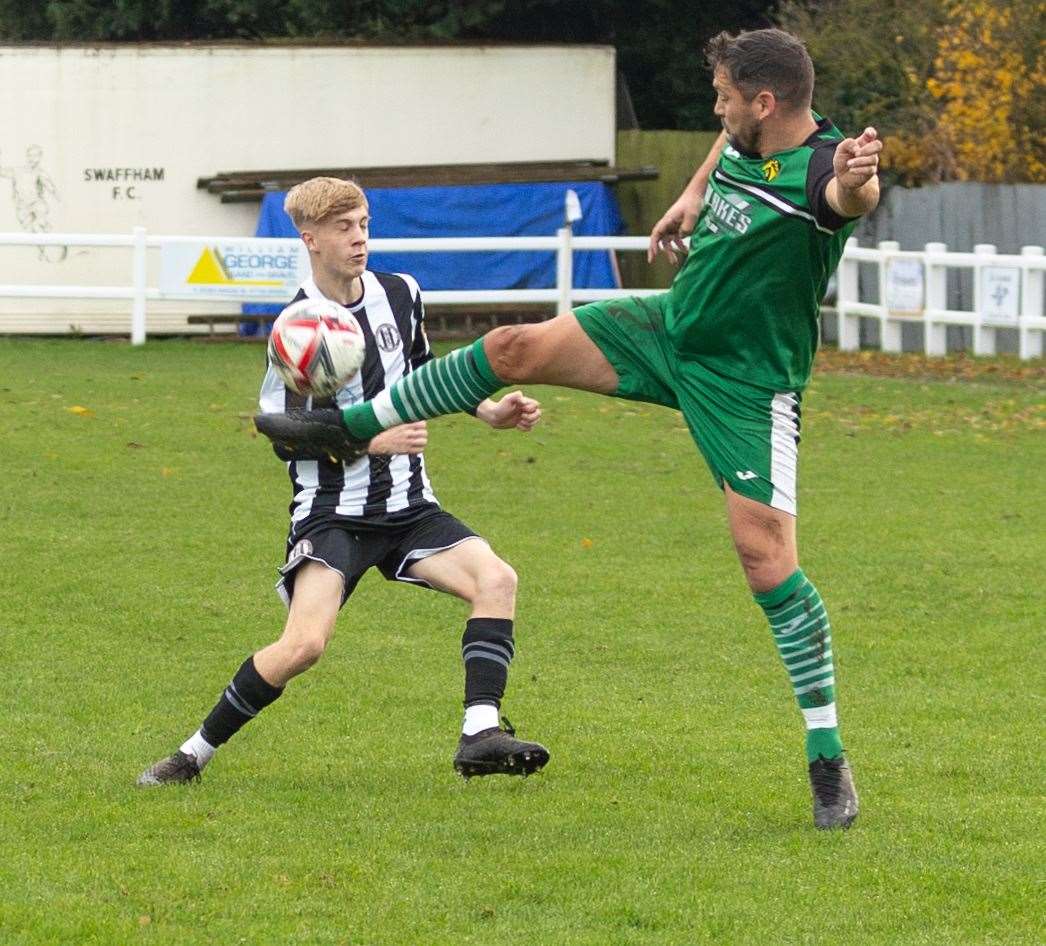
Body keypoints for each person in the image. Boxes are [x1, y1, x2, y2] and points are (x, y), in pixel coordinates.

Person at [254, 29, 883, 829]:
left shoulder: (827, 170)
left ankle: (827, 760)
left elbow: (846, 202)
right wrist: (694, 195)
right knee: (514, 347)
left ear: (767, 103)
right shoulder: (751, 131)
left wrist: (862, 186)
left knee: (767, 564)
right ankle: (345, 427)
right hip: (668, 328)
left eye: (726, 98)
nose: (716, 110)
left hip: (746, 385)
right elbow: (734, 148)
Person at [138, 177, 549, 787]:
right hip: (332, 514)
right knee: (304, 645)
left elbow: (421, 373)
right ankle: (191, 755)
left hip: (410, 506)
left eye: (363, 224)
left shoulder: (401, 293)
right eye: (343, 228)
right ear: (310, 239)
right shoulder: (297, 327)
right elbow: (282, 431)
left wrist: (486, 409)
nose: (359, 238)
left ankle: (479, 733)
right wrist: (369, 438)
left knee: (497, 580)